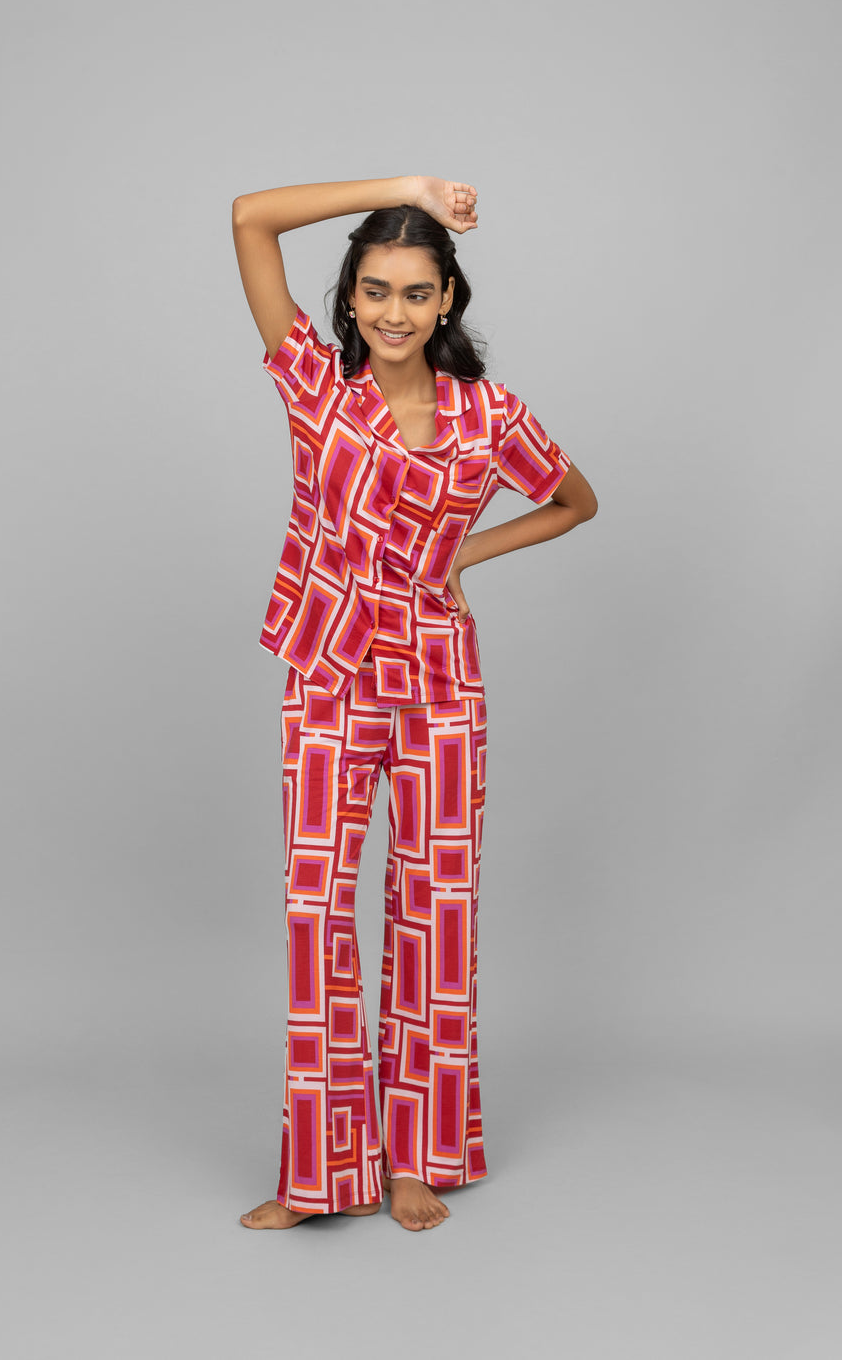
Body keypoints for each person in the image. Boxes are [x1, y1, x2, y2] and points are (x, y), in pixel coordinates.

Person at [232, 176, 598, 1232]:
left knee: (435, 913)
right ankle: (320, 1174)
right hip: (330, 673)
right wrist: (402, 188)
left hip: (438, 682)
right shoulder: (316, 385)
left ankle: (415, 1163)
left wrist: (465, 553)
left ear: (447, 301)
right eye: (375, 289)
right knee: (317, 912)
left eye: (417, 292)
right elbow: (250, 219)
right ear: (350, 297)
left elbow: (574, 501)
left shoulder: (489, 418)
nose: (394, 311)